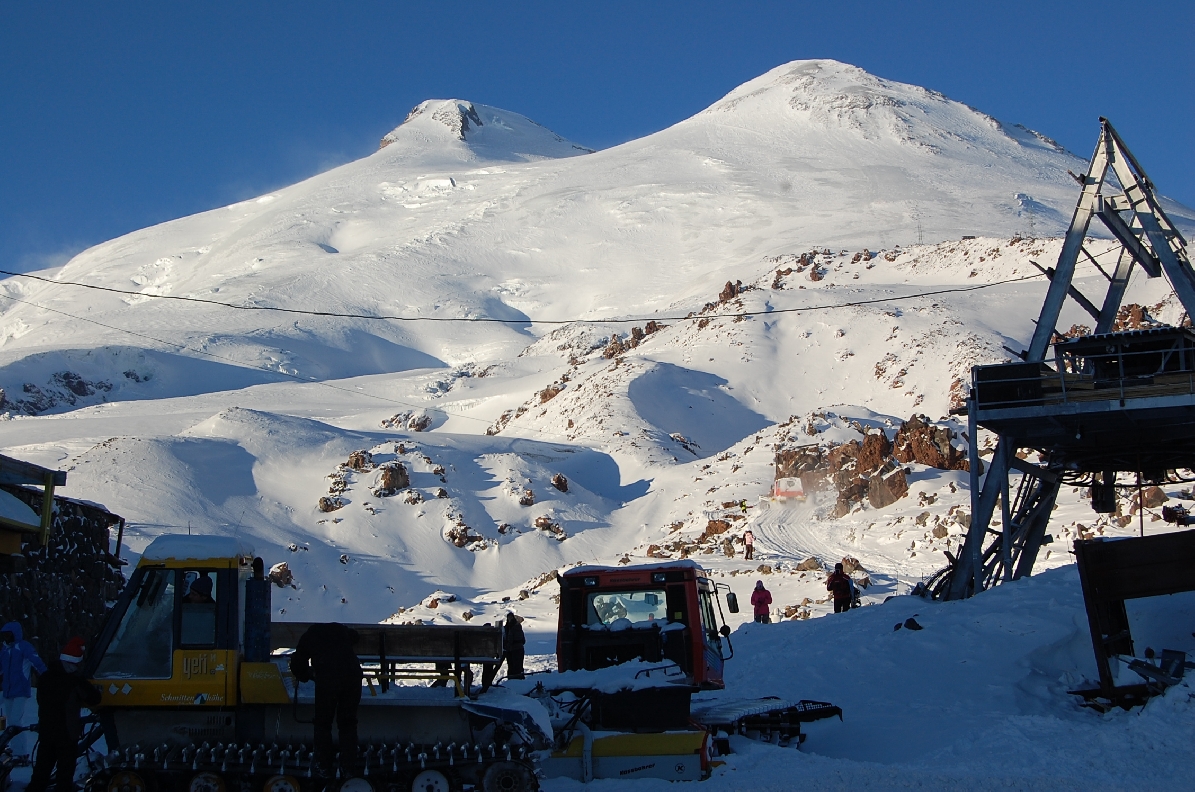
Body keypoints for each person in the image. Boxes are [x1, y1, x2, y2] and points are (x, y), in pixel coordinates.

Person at [289, 623, 363, 780]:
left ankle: (323, 766)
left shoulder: (310, 636)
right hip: (352, 677)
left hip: (327, 680)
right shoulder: (342, 631)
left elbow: (297, 662)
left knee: (323, 723)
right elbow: (355, 636)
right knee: (348, 722)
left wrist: (306, 675)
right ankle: (348, 767)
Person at [26, 637, 100, 792]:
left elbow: (40, 700)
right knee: (64, 776)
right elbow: (94, 698)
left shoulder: (45, 678)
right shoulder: (75, 681)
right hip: (67, 735)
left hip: (46, 733)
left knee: (41, 773)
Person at [0, 620, 47, 759]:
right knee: (10, 723)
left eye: (9, 635)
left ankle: (20, 753)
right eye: (4, 635)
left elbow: (37, 663)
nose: (6, 638)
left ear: (15, 634)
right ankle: (14, 751)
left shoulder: (23, 647)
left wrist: (49, 678)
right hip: (8, 691)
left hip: (20, 690)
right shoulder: (4, 650)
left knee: (15, 721)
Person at [503, 612, 526, 680]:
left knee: (512, 666)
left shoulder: (510, 627)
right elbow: (523, 640)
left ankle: (513, 679)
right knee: (519, 665)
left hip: (512, 649)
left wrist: (507, 646)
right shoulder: (518, 627)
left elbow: (510, 638)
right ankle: (520, 678)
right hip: (520, 648)